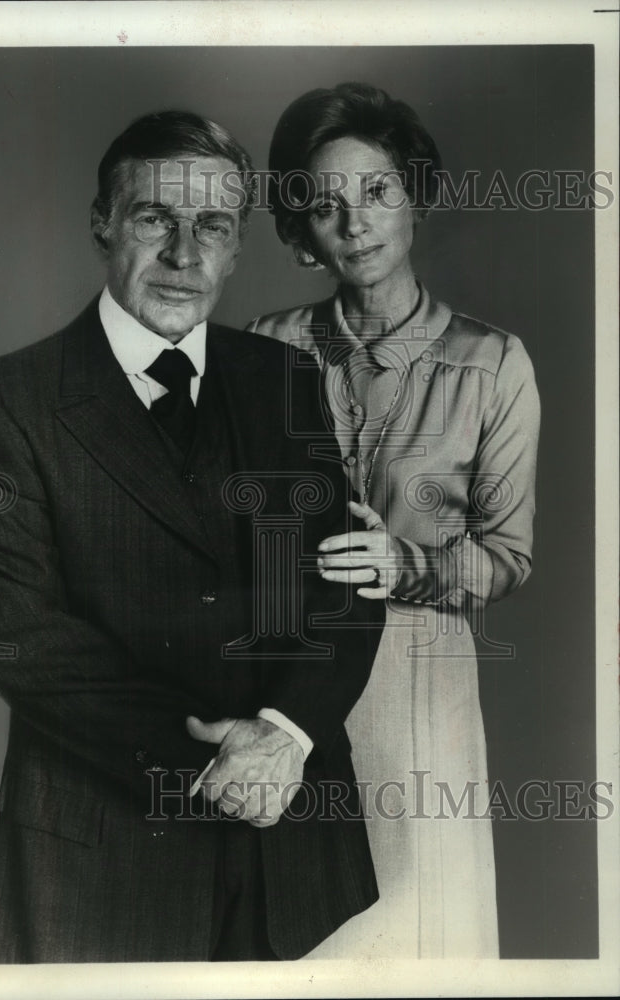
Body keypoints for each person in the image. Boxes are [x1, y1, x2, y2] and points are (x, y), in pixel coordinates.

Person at [0, 109, 384, 963]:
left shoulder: (285, 379)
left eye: (212, 224)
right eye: (155, 218)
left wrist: (285, 734)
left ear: (238, 243)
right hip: (103, 859)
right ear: (102, 223)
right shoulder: (4, 401)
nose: (185, 254)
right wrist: (213, 766)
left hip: (291, 853)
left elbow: (348, 580)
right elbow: (16, 633)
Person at [248, 83, 540, 958]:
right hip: (289, 682)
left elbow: (508, 556)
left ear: (415, 195)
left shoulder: (492, 364)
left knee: (422, 933)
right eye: (325, 205)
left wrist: (407, 565)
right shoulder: (264, 346)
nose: (357, 222)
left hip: (420, 686)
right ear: (303, 233)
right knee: (307, 941)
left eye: (376, 191)